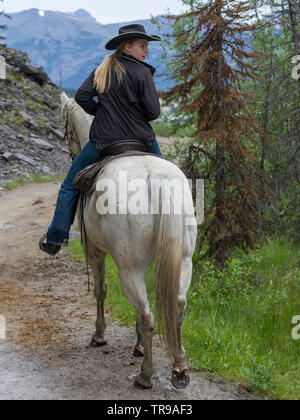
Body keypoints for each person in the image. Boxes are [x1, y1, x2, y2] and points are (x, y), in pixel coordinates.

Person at [39, 24, 164, 256]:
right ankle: (188, 223)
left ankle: (55, 238)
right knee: (170, 181)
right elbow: (153, 112)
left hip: (103, 141)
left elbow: (82, 97)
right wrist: (135, 116)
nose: (146, 51)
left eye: (146, 47)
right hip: (142, 140)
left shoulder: (102, 70)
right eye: (142, 46)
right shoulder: (143, 72)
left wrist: (103, 112)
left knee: (70, 184)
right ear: (127, 47)